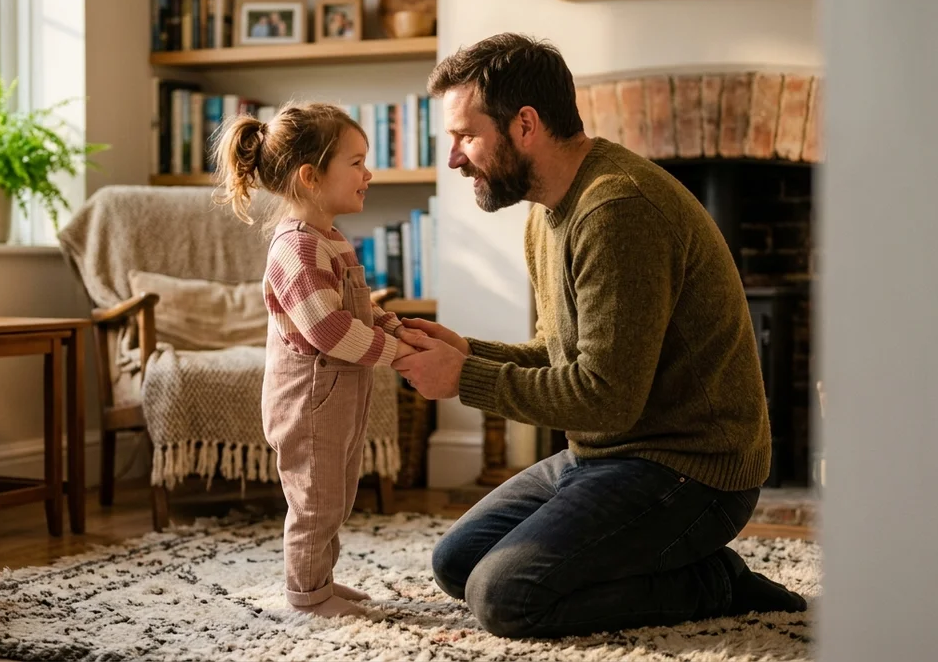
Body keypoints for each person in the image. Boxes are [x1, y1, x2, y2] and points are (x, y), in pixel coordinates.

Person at [392, 33, 808, 638]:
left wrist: (464, 379)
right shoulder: (546, 210)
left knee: (506, 597)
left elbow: (608, 397)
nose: (454, 158)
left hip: (693, 470)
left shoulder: (617, 209)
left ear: (525, 124)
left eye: (465, 135)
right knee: (455, 564)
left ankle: (713, 580)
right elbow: (558, 355)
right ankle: (654, 561)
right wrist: (464, 350)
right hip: (605, 456)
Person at [214, 103, 421, 619]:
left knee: (338, 493)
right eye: (355, 162)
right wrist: (395, 354)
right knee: (315, 499)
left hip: (340, 391)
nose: (368, 174)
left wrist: (396, 327)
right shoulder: (297, 247)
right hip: (309, 397)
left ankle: (321, 580)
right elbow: (328, 331)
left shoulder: (330, 239)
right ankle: (307, 596)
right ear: (310, 176)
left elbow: (354, 308)